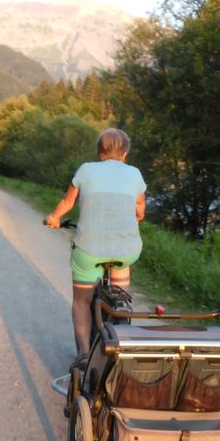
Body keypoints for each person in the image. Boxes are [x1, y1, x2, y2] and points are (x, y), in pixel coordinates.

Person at [46, 128, 146, 365]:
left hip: (90, 249)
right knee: (121, 278)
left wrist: (54, 218)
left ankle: (83, 355)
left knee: (81, 301)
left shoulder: (86, 170)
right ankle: (120, 316)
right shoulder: (135, 174)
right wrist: (136, 216)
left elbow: (68, 202)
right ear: (126, 153)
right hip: (127, 251)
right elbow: (140, 209)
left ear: (100, 152)